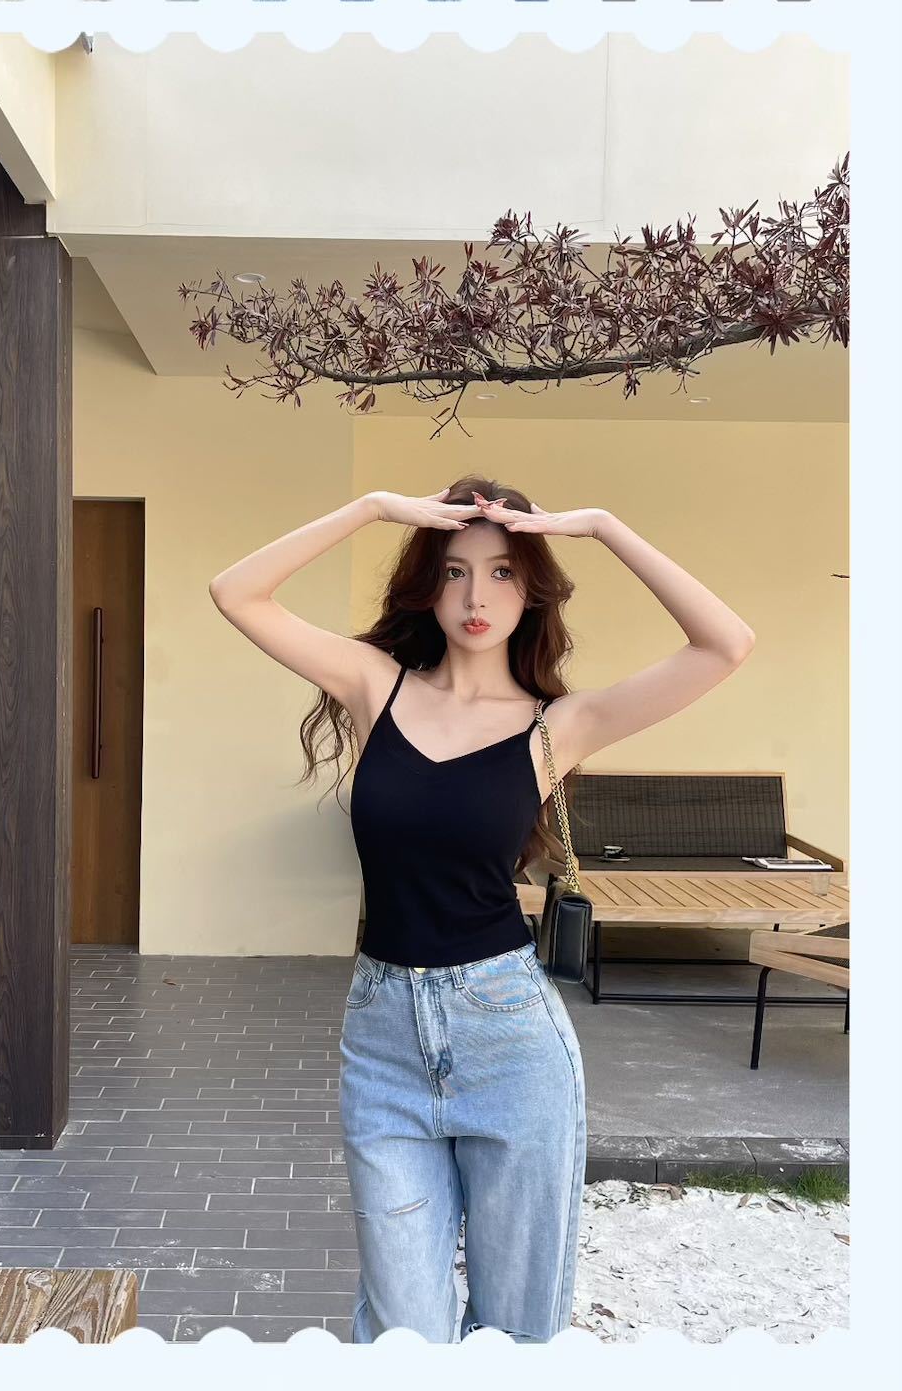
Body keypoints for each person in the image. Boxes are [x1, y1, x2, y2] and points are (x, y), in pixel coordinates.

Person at [209, 470, 756, 1340]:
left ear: (530, 589)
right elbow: (235, 591)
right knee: (403, 1332)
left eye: (502, 572)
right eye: (454, 571)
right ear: (426, 586)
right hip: (383, 1038)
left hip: (509, 1036)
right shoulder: (375, 687)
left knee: (515, 1331)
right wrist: (374, 508)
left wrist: (601, 523)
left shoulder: (558, 725)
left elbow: (724, 644)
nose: (476, 597)